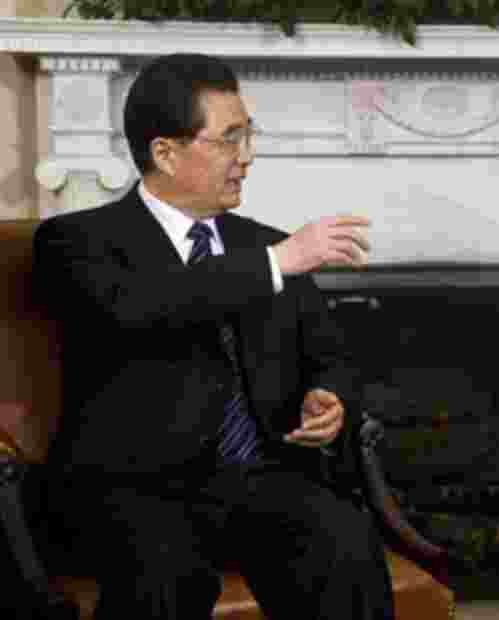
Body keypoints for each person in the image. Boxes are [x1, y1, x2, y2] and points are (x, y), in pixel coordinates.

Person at [33, 53, 394, 619]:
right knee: (166, 574)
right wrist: (277, 262)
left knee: (342, 537)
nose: (246, 158)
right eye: (229, 139)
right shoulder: (76, 242)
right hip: (134, 488)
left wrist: (329, 399)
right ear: (165, 153)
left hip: (256, 478)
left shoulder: (268, 245)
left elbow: (331, 357)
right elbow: (140, 306)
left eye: (248, 136)